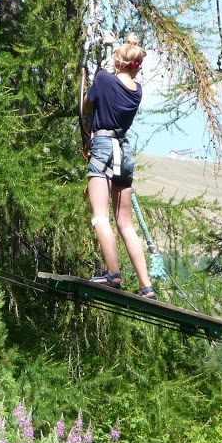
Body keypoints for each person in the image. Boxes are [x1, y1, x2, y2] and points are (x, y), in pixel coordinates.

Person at [83, 35, 155, 298]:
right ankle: (146, 285)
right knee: (125, 223)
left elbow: (87, 105)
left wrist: (95, 75)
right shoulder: (137, 91)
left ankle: (113, 274)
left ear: (118, 61)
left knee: (100, 216)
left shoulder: (103, 79)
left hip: (103, 148)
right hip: (124, 152)